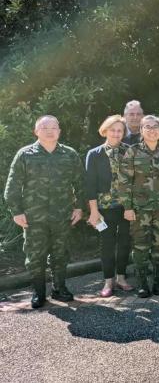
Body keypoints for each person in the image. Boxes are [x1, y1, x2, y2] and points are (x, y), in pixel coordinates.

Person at [5, 116, 84, 308]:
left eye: (54, 127)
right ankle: (39, 293)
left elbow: (80, 182)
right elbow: (13, 184)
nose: (50, 131)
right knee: (35, 256)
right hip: (34, 217)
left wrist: (79, 207)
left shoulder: (70, 154)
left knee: (61, 253)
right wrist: (16, 211)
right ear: (36, 131)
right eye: (45, 127)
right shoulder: (25, 154)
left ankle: (59, 289)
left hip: (62, 215)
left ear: (59, 131)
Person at [118, 115, 159, 298]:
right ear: (141, 131)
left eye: (155, 126)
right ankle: (142, 283)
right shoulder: (132, 152)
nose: (152, 130)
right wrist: (127, 207)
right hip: (139, 210)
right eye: (147, 127)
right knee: (141, 247)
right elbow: (124, 181)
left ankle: (158, 281)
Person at [86, 115, 131, 297]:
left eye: (120, 130)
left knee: (125, 243)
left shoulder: (129, 151)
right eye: (112, 130)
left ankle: (121, 278)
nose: (116, 133)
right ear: (105, 131)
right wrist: (94, 211)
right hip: (104, 208)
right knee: (107, 244)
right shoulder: (94, 154)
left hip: (126, 206)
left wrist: (131, 206)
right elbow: (90, 184)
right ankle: (108, 282)